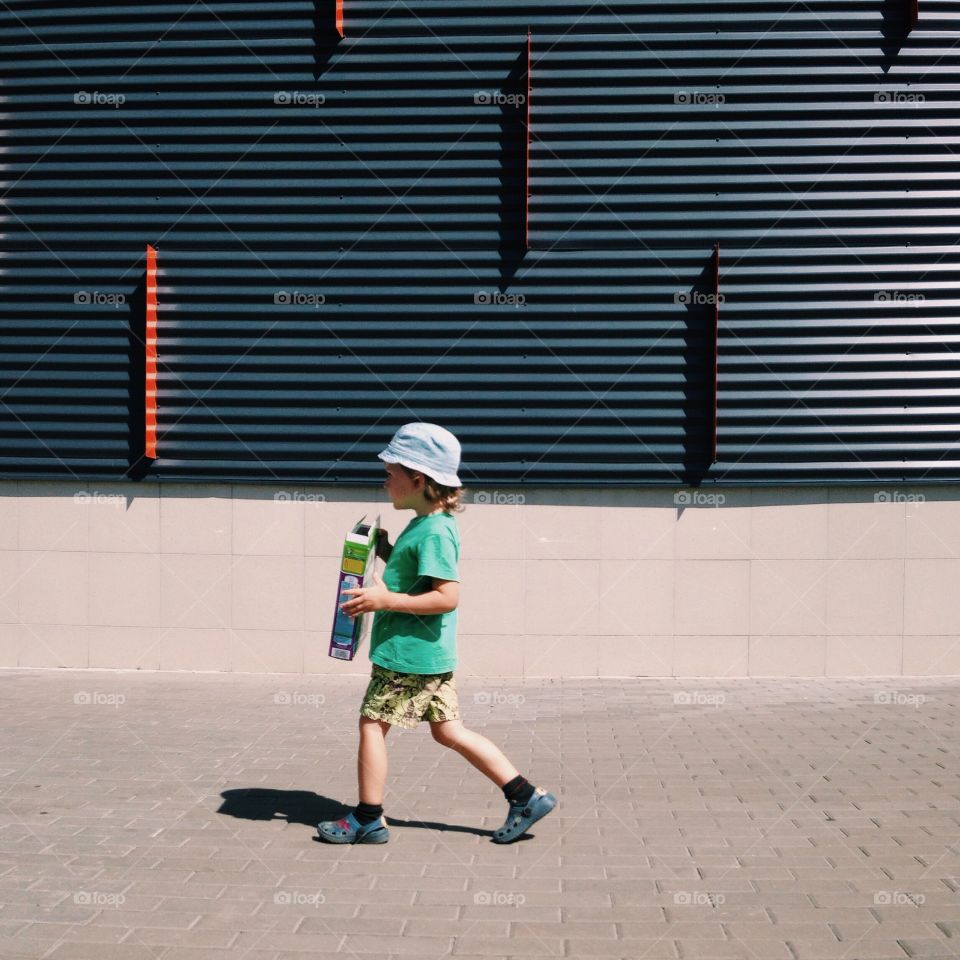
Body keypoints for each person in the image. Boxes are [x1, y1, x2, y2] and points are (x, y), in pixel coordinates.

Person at [317, 422, 557, 845]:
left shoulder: (435, 531)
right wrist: (387, 550)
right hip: (429, 655)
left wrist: (384, 600)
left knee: (371, 724)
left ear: (418, 479)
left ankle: (367, 819)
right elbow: (418, 578)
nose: (384, 480)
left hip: (407, 655)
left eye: (391, 473)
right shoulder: (425, 523)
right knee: (449, 731)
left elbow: (446, 597)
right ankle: (525, 796)